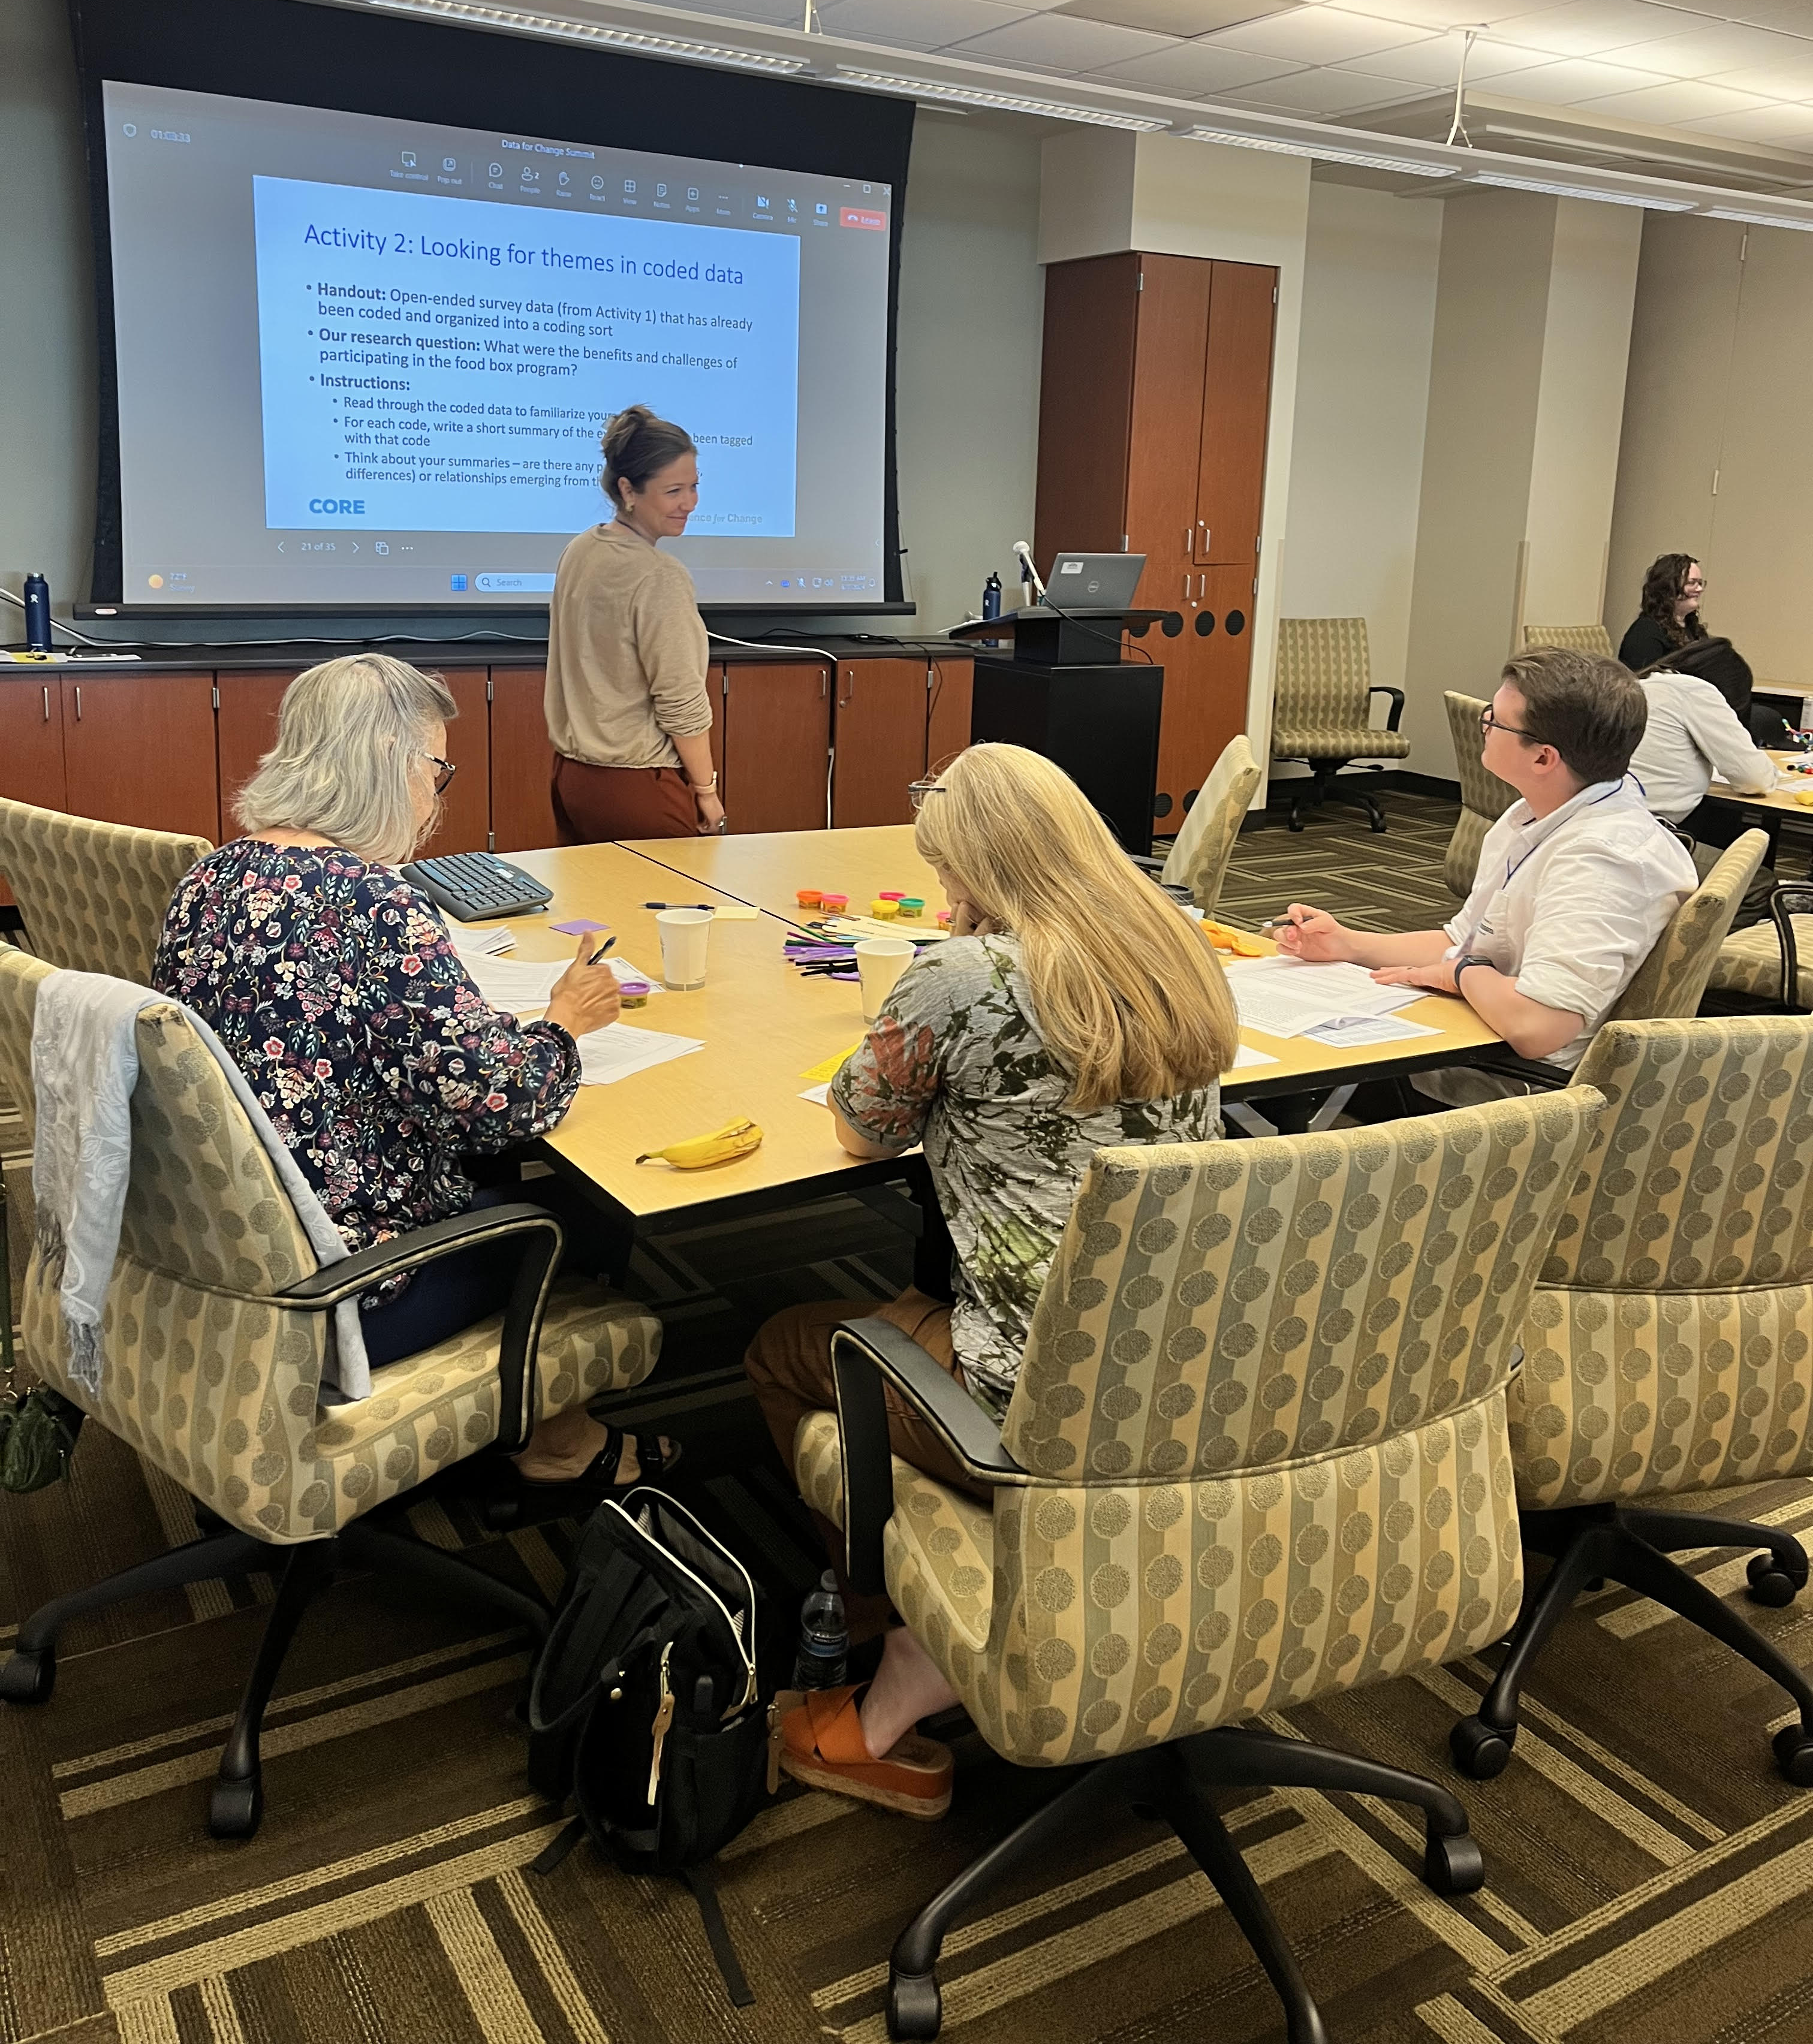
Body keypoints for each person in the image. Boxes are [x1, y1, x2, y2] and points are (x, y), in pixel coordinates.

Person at [745, 743, 1238, 1818]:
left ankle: (889, 1626)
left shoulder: (960, 974)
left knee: (784, 1343)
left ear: (981, 868)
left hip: (1044, 1399)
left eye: (950, 873)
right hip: (1198, 1366)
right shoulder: (1175, 943)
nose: (944, 892)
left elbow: (861, 1130)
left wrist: (943, 979)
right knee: (909, 1309)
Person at [153, 655, 673, 1502]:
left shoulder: (212, 876)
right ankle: (556, 1439)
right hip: (339, 1290)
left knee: (493, 1178)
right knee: (583, 1212)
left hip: (217, 1254)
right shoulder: (373, 901)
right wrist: (565, 1022)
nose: (440, 792)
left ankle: (529, 1423)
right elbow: (502, 1103)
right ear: (391, 767)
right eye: (438, 768)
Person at [1275, 649, 1697, 1081]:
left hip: (1516, 1087)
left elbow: (1539, 1027)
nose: (1484, 728)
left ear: (1543, 758)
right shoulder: (1534, 817)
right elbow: (1463, 942)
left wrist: (1461, 974)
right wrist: (1349, 944)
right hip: (1476, 1032)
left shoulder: (1605, 861)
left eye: (1494, 720)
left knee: (1282, 1068)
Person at [544, 403, 727, 843]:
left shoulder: (581, 549)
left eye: (695, 487)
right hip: (639, 786)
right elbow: (681, 701)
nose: (690, 503)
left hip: (574, 780)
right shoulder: (658, 575)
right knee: (676, 910)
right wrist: (706, 791)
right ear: (628, 489)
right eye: (674, 491)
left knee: (593, 912)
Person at [1631, 637, 1776, 839]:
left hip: (1604, 825)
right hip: (1648, 834)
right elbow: (1756, 779)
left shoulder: (1643, 683)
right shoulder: (1695, 690)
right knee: (1756, 870)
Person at [1619, 553, 1707, 670]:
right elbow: (1643, 682)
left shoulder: (1693, 628)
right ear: (1668, 587)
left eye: (1701, 583)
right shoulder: (1645, 632)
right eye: (1692, 583)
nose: (1700, 589)